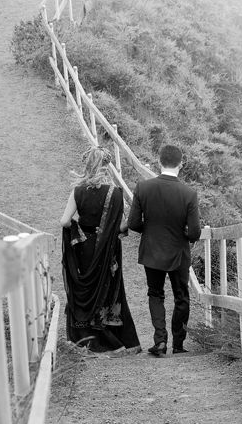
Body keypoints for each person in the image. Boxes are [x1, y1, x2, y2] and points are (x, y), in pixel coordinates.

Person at [60, 145, 141, 355]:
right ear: (107, 166)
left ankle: (84, 337)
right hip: (108, 250)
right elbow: (122, 225)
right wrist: (108, 232)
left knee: (85, 289)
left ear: (87, 165)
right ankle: (116, 337)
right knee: (109, 288)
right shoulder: (116, 193)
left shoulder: (78, 192)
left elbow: (65, 221)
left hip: (85, 249)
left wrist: (80, 231)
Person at [127, 144, 201, 357]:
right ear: (181, 164)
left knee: (155, 294)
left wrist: (149, 230)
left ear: (159, 161)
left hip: (152, 249)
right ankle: (178, 344)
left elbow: (133, 223)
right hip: (179, 252)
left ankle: (160, 340)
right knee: (181, 296)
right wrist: (185, 235)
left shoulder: (143, 188)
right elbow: (194, 232)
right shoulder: (189, 193)